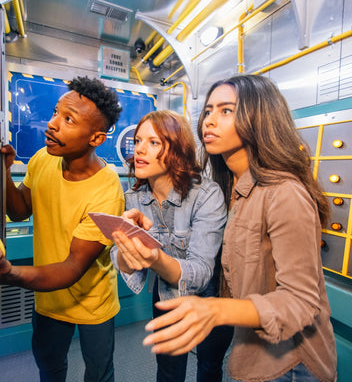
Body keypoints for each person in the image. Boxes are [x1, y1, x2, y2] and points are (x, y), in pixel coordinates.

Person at [142, 75, 337, 382]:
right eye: (207, 111)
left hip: (291, 364)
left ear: (259, 118)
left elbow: (301, 303)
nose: (209, 121)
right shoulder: (227, 188)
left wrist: (215, 311)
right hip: (252, 352)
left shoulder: (283, 192)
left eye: (226, 111)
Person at [0, 76, 124, 382]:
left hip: (93, 302)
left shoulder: (107, 190)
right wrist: (5, 172)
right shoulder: (43, 159)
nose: (52, 124)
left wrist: (11, 275)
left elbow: (74, 266)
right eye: (55, 113)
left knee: (99, 374)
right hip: (47, 297)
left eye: (69, 119)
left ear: (96, 138)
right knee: (49, 367)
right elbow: (20, 210)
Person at [110, 110, 233, 382]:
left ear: (178, 150)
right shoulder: (134, 198)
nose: (140, 150)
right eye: (138, 140)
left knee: (209, 368)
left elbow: (201, 273)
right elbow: (123, 261)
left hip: (213, 297)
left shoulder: (206, 195)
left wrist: (153, 257)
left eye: (154, 143)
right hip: (167, 294)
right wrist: (126, 248)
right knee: (167, 372)